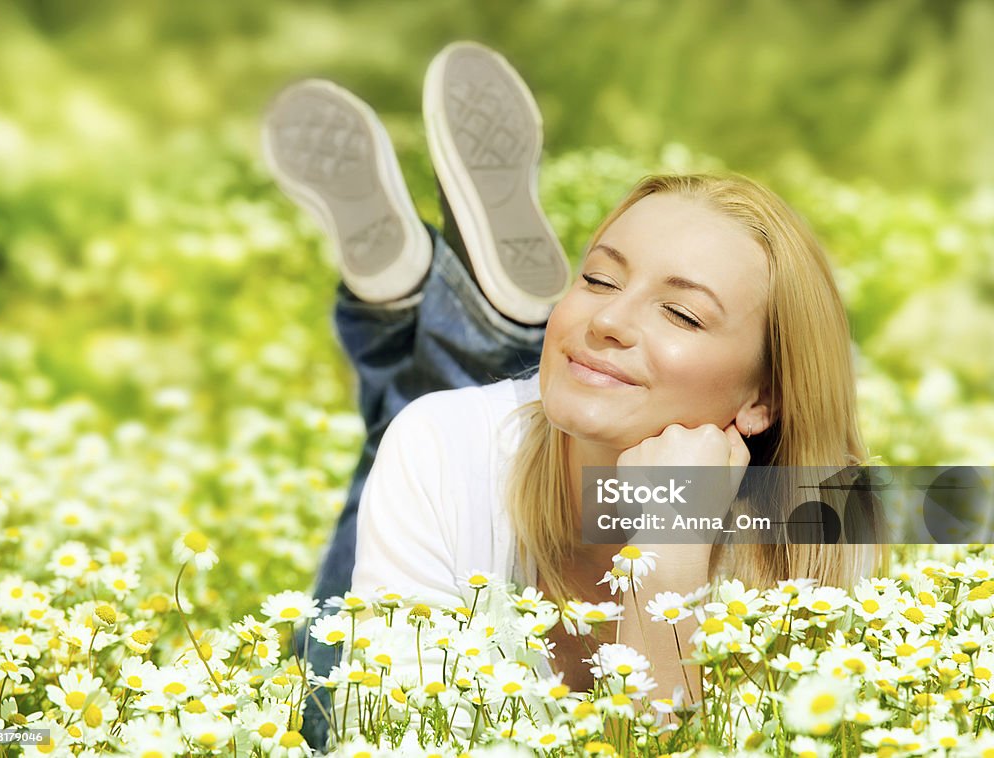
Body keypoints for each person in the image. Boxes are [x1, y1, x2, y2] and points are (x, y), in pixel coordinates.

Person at [262, 41, 884, 750]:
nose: (609, 320)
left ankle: (429, 312)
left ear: (762, 402)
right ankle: (454, 319)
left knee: (408, 423)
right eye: (597, 279)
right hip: (463, 453)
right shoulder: (442, 445)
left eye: (681, 314)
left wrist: (669, 544)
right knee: (327, 703)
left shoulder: (827, 518)